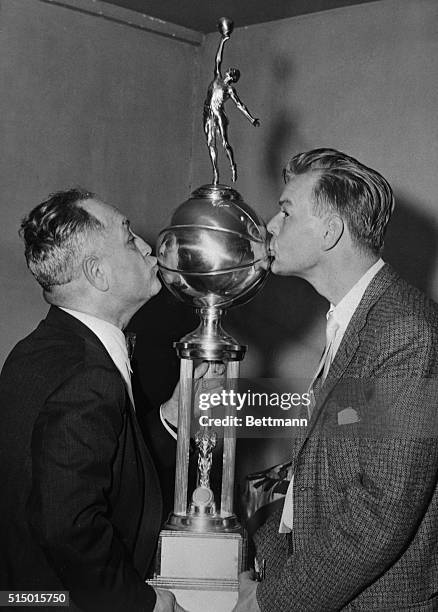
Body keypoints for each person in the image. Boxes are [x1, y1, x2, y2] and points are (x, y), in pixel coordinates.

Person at [233, 149, 438, 611]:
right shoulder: (356, 321)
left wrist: (272, 602)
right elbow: (326, 474)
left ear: (331, 232)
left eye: (286, 210)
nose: (269, 225)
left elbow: (379, 513)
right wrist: (259, 551)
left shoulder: (405, 333)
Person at [0, 188, 188, 611]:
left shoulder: (41, 349)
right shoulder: (89, 376)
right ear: (98, 274)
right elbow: (67, 528)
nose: (146, 246)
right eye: (128, 238)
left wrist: (171, 416)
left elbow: (105, 471)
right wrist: (142, 603)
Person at [203, 30, 259, 184]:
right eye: (230, 69)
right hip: (207, 113)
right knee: (210, 143)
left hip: (219, 114)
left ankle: (232, 166)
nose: (229, 69)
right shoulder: (217, 78)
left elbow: (240, 105)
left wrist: (251, 119)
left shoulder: (229, 90)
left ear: (233, 77)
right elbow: (218, 60)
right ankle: (216, 174)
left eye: (232, 71)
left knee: (224, 143)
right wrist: (223, 41)